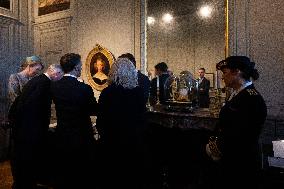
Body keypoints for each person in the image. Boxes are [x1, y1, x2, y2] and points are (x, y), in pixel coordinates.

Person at [204, 56, 267, 189]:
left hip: (240, 162)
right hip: (232, 159)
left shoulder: (251, 98)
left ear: (237, 72)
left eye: (225, 72)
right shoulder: (239, 93)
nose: (223, 77)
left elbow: (240, 135)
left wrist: (216, 149)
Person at [8, 64, 64, 189]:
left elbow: (20, 102)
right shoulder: (45, 84)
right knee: (28, 161)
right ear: (56, 74)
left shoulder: (36, 80)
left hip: (23, 127)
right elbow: (37, 109)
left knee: (23, 161)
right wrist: (43, 127)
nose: (60, 80)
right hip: (30, 129)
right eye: (61, 76)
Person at [96, 57, 147, 189]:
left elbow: (101, 121)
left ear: (113, 72)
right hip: (133, 142)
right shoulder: (138, 92)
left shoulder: (107, 93)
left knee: (113, 179)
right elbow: (142, 119)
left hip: (111, 143)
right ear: (132, 72)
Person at [51, 53, 98, 189]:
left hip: (62, 135)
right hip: (82, 136)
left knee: (65, 172)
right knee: (81, 174)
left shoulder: (54, 86)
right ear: (77, 68)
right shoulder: (84, 88)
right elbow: (93, 110)